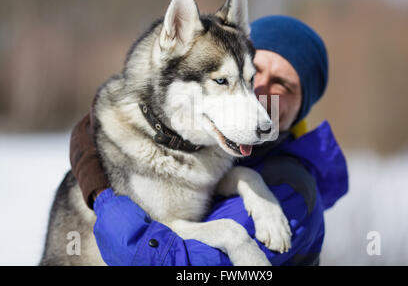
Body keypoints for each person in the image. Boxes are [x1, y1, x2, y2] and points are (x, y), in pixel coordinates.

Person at [70, 15, 348, 266]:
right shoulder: (219, 143)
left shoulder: (291, 188)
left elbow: (167, 261)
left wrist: (103, 196)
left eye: (283, 85)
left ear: (302, 107)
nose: (259, 91)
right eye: (255, 72)